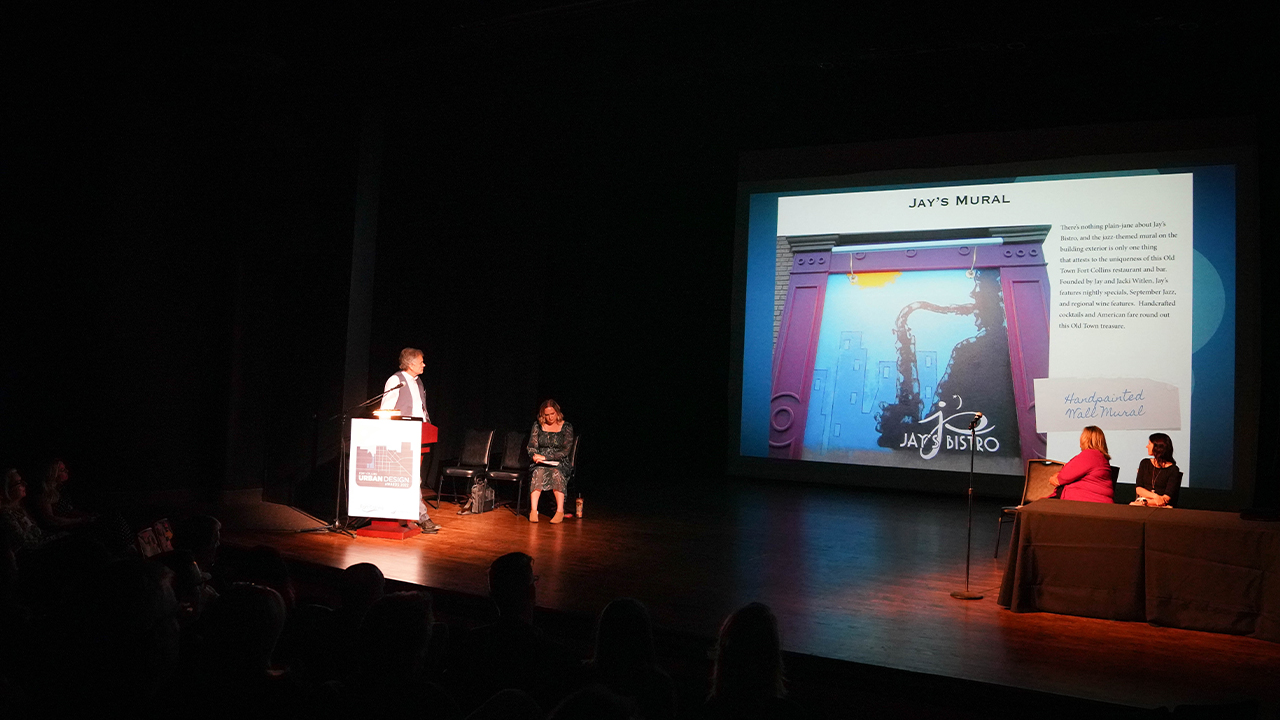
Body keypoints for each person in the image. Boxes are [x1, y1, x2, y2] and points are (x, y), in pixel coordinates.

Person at [379, 348, 440, 534]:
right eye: (421, 361)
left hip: (419, 435)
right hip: (401, 437)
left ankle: (413, 515)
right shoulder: (396, 380)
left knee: (413, 478)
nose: (424, 364)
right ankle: (422, 518)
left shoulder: (418, 382)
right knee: (412, 478)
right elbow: (386, 411)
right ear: (411, 363)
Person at [527, 399, 575, 524]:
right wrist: (534, 456)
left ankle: (559, 511)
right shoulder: (538, 426)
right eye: (546, 415)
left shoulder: (566, 427)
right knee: (538, 472)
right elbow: (532, 446)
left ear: (557, 412)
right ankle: (533, 510)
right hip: (540, 462)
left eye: (552, 414)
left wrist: (547, 458)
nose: (549, 417)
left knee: (556, 473)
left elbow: (565, 451)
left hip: (559, 462)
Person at [1052, 425, 1115, 503]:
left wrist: (1055, 476)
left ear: (1085, 439)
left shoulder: (1089, 455)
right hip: (1093, 504)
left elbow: (1061, 478)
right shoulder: (1101, 458)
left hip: (1084, 504)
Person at [1133, 433, 1181, 507]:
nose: (1146, 446)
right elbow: (1139, 489)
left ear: (1157, 447)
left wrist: (1145, 503)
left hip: (1161, 506)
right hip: (1144, 501)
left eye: (1149, 444)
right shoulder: (1145, 463)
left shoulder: (1173, 470)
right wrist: (1155, 497)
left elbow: (1166, 498)